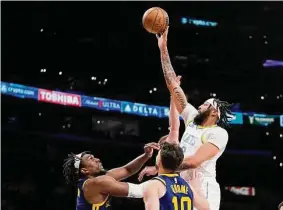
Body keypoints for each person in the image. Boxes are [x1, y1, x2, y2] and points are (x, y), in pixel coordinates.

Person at [139, 26, 234, 210]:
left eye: (205, 104)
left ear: (215, 112)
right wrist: (163, 47)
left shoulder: (218, 133)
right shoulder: (192, 119)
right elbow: (173, 86)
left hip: (202, 187)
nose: (199, 106)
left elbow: (193, 162)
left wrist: (162, 169)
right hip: (181, 184)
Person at [63, 142, 159, 210]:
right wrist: (165, 177)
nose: (97, 159)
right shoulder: (97, 183)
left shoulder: (95, 180)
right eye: (91, 159)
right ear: (84, 170)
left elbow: (127, 170)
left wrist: (146, 155)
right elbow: (138, 191)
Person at [143, 141, 210, 210]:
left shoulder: (154, 185)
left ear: (159, 161)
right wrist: (197, 189)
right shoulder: (187, 186)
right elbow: (206, 208)